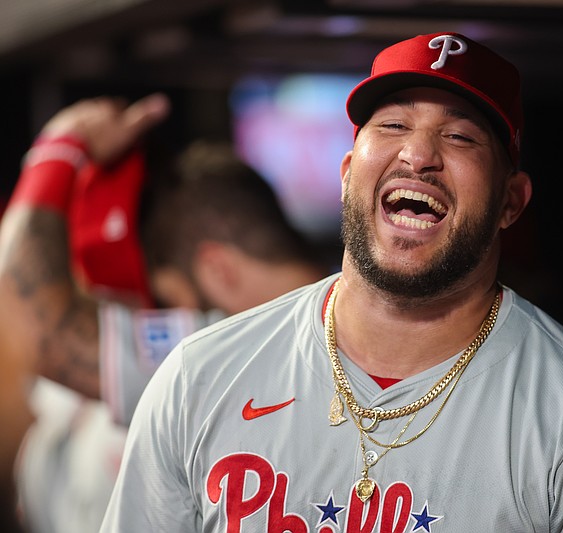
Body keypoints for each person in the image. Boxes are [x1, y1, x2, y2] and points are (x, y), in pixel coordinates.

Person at [101, 32, 563, 532]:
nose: (418, 153)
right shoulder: (199, 377)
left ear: (511, 202)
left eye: (460, 137)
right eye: (393, 124)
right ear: (347, 172)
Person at [0, 95, 329, 533]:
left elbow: (25, 322)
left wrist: (60, 147)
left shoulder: (231, 351)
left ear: (218, 269)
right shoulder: (386, 322)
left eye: (168, 298)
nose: (167, 316)